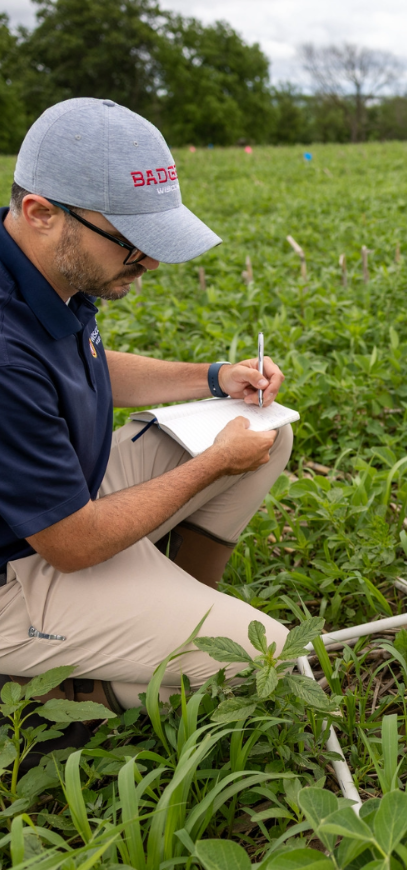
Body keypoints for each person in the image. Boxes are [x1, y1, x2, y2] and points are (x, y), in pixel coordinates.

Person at [0, 98, 292, 727]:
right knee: (261, 663)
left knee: (270, 431)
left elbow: (81, 362)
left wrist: (213, 378)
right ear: (41, 213)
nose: (150, 262)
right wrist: (210, 465)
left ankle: (170, 604)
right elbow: (72, 544)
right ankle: (48, 693)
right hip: (23, 566)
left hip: (61, 501)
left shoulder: (38, 262)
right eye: (131, 244)